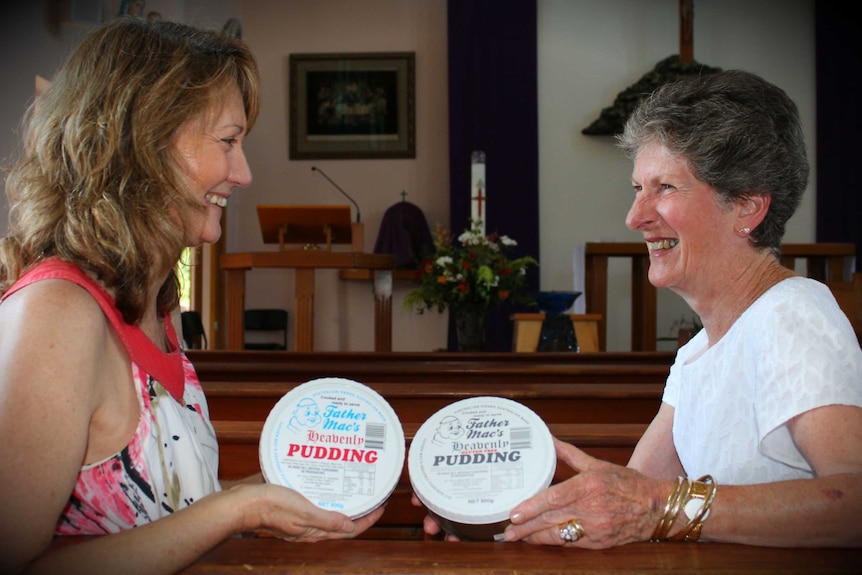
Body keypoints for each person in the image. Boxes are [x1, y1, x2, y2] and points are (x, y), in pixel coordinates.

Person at [0, 17, 382, 575]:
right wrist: (235, 509)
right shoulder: (57, 313)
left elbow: (152, 506)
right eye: (228, 142)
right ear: (142, 145)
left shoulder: (156, 305)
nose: (244, 173)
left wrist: (268, 495)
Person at [417, 70, 862, 548]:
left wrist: (657, 507)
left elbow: (854, 504)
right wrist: (489, 515)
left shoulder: (792, 315)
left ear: (747, 208)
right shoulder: (696, 354)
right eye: (637, 189)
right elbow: (629, 502)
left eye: (665, 188)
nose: (635, 217)